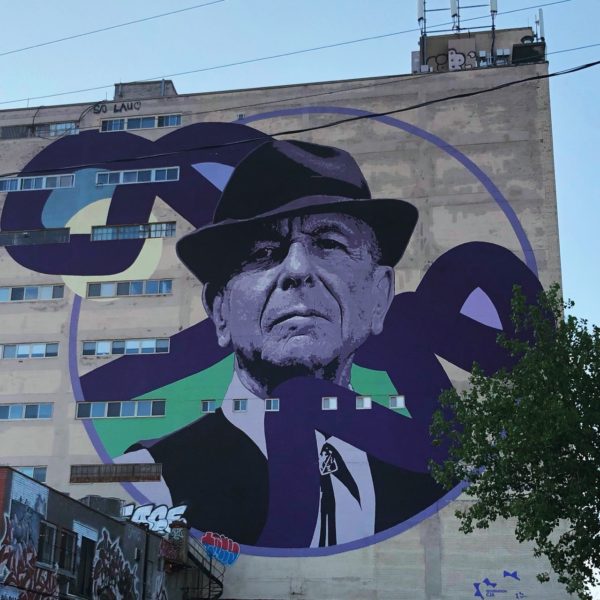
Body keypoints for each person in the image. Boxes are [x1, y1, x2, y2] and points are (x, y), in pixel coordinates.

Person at [124, 139, 447, 548]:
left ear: (379, 298)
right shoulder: (153, 480)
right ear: (218, 310)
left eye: (329, 244)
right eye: (262, 252)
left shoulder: (431, 478)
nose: (297, 269)